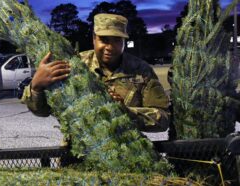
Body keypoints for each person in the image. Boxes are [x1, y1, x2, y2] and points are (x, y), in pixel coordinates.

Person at [22, 13, 170, 132]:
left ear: (124, 42)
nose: (110, 47)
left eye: (117, 40)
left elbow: (163, 120)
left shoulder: (141, 71)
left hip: (127, 153)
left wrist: (126, 112)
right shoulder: (74, 65)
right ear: (94, 39)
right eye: (104, 40)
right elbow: (42, 111)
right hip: (77, 154)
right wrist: (36, 87)